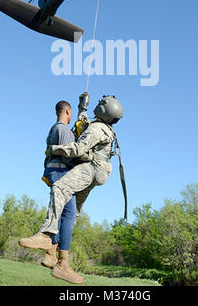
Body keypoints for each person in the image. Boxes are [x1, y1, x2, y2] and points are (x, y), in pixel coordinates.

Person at [19, 95, 123, 283]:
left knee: (60, 188)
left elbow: (78, 150)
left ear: (104, 111)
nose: (98, 106)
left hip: (91, 169)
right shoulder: (105, 128)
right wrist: (82, 107)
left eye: (101, 104)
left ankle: (47, 234)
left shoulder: (96, 129)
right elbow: (86, 124)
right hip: (101, 172)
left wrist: (55, 149)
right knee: (73, 212)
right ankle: (56, 258)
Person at [19, 99, 85, 284]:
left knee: (66, 214)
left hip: (54, 171)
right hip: (61, 173)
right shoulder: (63, 130)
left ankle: (51, 254)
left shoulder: (55, 129)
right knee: (70, 214)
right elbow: (67, 154)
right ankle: (57, 256)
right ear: (68, 111)